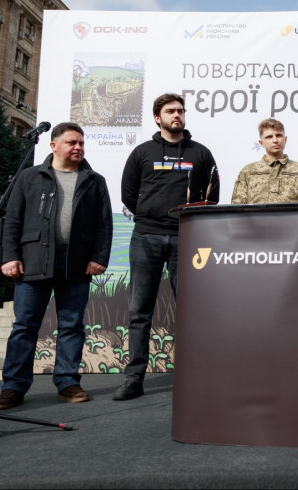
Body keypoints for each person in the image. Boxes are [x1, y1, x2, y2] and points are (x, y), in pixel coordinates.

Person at [0, 122, 112, 409]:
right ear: (53, 145)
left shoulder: (94, 181)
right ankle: (13, 387)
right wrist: (10, 256)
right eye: (72, 142)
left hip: (76, 265)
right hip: (33, 261)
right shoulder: (29, 177)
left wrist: (99, 257)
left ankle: (67, 383)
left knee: (72, 325)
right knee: (24, 326)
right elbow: (12, 220)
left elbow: (104, 224)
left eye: (81, 143)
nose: (78, 147)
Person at [114, 92, 219, 401]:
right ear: (157, 117)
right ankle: (134, 378)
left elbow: (211, 195)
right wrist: (150, 213)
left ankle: (196, 376)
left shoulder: (201, 153)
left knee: (190, 310)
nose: (177, 115)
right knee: (139, 312)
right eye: (171, 111)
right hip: (145, 237)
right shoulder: (142, 152)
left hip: (186, 237)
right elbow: (128, 193)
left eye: (181, 110)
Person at [231, 118, 298, 204]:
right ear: (261, 143)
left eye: (279, 135)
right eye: (269, 137)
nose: (275, 140)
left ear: (285, 139)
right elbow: (237, 207)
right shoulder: (248, 171)